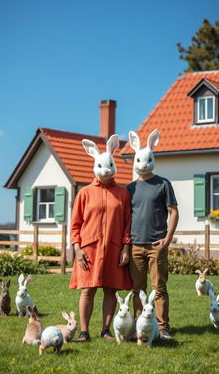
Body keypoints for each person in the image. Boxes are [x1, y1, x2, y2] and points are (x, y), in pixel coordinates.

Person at [69, 134, 132, 342]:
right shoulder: (84, 193)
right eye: (101, 166)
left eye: (109, 165)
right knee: (87, 290)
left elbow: (126, 224)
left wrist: (125, 248)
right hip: (89, 249)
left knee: (110, 289)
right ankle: (84, 331)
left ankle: (105, 330)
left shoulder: (123, 194)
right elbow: (75, 224)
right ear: (95, 165)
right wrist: (77, 249)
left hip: (114, 248)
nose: (106, 170)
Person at [127, 129, 179, 340]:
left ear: (152, 158)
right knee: (138, 289)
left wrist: (167, 239)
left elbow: (173, 211)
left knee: (159, 288)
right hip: (135, 246)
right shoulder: (129, 188)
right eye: (140, 160)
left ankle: (163, 327)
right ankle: (142, 326)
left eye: (148, 159)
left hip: (157, 244)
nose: (144, 163)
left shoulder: (163, 184)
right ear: (136, 159)